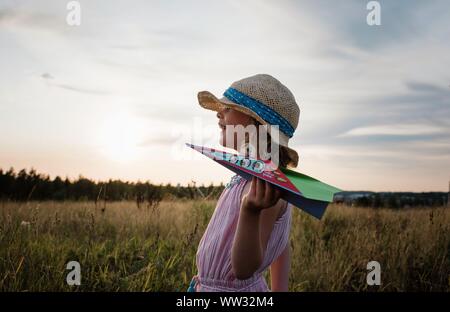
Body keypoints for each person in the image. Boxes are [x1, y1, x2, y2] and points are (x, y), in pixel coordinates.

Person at [189, 74, 300, 292]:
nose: (219, 113)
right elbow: (279, 243)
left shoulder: (264, 184)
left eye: (227, 108)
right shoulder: (246, 177)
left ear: (253, 122)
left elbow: (243, 270)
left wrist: (250, 211)